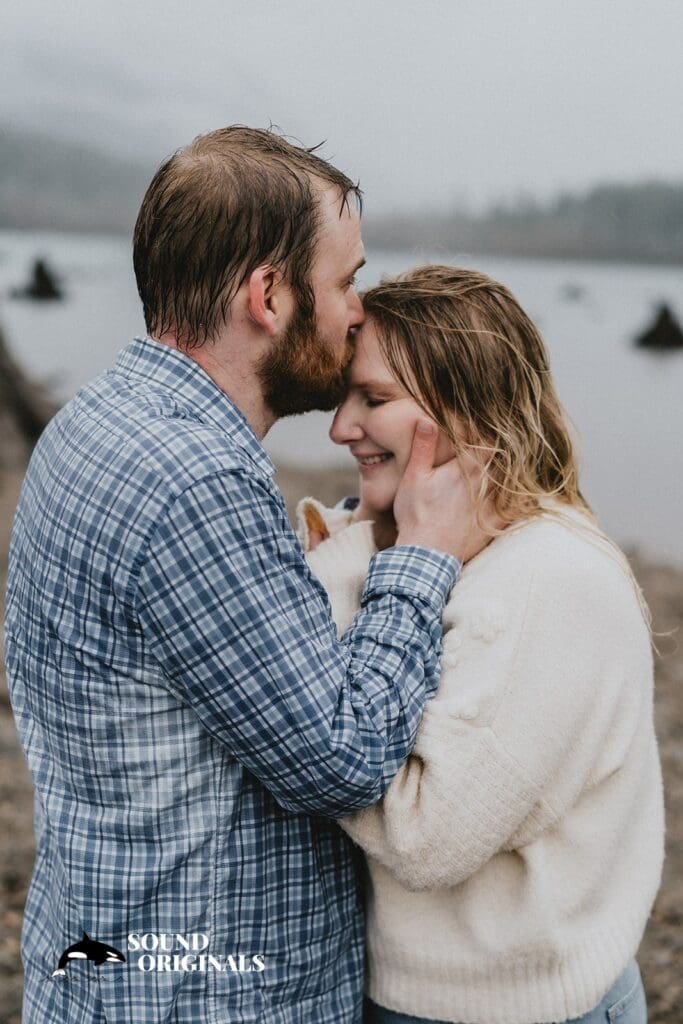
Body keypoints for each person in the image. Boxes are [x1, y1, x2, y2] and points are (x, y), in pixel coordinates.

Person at [3, 131, 490, 1024]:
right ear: (267, 295)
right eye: (344, 280)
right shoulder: (196, 480)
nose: (356, 311)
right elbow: (341, 761)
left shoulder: (96, 421)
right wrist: (421, 552)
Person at [297, 264, 665, 1024]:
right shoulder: (441, 553)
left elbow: (425, 836)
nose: (338, 427)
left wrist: (344, 580)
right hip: (426, 998)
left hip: (515, 1011)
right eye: (344, 398)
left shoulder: (546, 578)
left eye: (374, 399)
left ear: (466, 410)